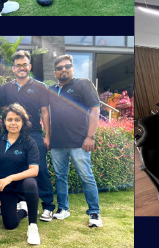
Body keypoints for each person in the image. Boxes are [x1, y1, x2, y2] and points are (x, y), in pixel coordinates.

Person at [1, 51, 57, 222]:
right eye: (18, 65)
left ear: (29, 67)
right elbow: (4, 112)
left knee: (40, 170)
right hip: (13, 134)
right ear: (13, 68)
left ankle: (47, 206)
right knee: (16, 168)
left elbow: (45, 113)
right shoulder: (6, 88)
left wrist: (47, 135)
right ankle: (21, 201)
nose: (21, 68)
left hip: (34, 135)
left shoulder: (40, 86)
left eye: (25, 64)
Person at [47, 54, 102, 227]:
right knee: (60, 177)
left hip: (80, 142)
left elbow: (95, 109)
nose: (63, 69)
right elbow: (46, 114)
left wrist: (90, 136)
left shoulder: (84, 84)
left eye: (67, 66)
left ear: (72, 68)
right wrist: (47, 136)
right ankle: (63, 209)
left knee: (86, 177)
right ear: (55, 72)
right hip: (57, 143)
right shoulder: (51, 89)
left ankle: (94, 213)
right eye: (59, 68)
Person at [0, 104, 43, 245]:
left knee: (31, 183)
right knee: (10, 224)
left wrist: (11, 177)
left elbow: (34, 170)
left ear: (23, 122)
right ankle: (23, 211)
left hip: (22, 183)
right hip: (5, 187)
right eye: (10, 119)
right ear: (4, 122)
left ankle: (33, 226)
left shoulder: (29, 142)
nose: (13, 123)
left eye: (17, 120)